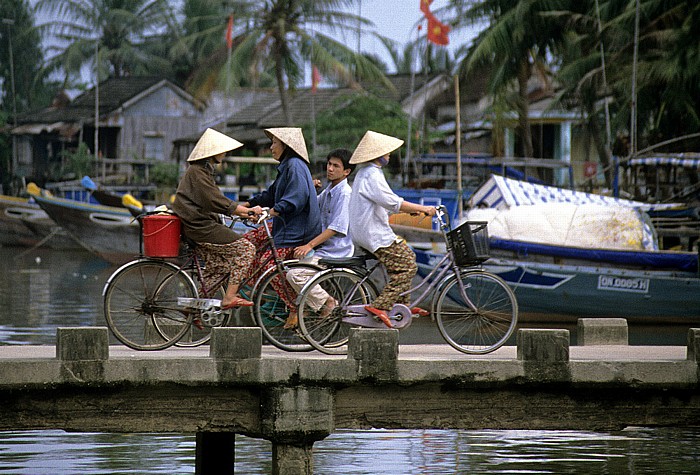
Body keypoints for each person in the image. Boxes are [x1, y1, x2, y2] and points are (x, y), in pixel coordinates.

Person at [348, 130, 436, 328]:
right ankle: (381, 305)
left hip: (365, 231)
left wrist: (411, 211)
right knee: (408, 266)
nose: (389, 155)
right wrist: (423, 209)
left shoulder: (367, 173)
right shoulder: (371, 174)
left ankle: (401, 305)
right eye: (386, 152)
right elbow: (391, 201)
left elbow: (385, 202)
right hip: (373, 234)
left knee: (404, 261)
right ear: (378, 155)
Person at [242, 127, 322, 328]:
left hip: (296, 232)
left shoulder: (295, 166)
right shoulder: (287, 167)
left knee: (267, 266)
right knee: (246, 243)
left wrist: (272, 211)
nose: (271, 147)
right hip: (284, 227)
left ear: (285, 145)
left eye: (274, 143)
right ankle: (266, 293)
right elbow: (270, 195)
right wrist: (245, 206)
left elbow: (295, 199)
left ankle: (294, 306)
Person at [171, 128, 258, 310]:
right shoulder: (197, 172)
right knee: (247, 250)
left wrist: (243, 211)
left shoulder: (202, 171)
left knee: (220, 266)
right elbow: (213, 200)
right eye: (222, 150)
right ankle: (230, 297)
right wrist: (242, 210)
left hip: (199, 225)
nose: (224, 154)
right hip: (199, 226)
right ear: (212, 152)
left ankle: (194, 310)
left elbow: (216, 200)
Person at [286, 149, 355, 318]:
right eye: (329, 164)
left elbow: (336, 228)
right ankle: (305, 307)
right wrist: (310, 187)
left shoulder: (345, 194)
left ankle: (327, 301)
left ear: (346, 172)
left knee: (294, 275)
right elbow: (312, 206)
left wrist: (309, 245)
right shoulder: (330, 190)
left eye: (336, 166)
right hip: (322, 247)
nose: (330, 169)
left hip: (336, 250)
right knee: (285, 264)